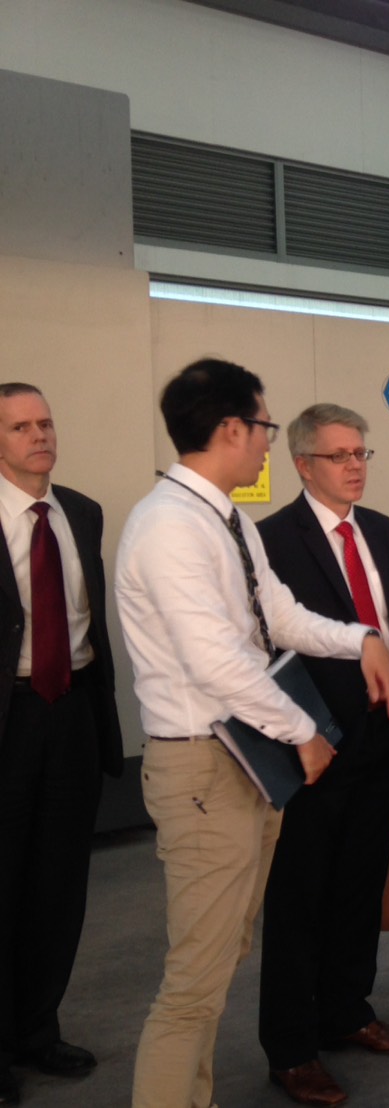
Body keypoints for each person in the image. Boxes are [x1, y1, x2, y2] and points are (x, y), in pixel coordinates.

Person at [116, 359, 389, 1108]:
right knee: (194, 984)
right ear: (231, 428)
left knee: (219, 961)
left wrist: (362, 637)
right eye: (266, 426)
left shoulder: (226, 518)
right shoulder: (169, 526)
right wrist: (302, 729)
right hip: (202, 769)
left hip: (243, 763)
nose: (270, 442)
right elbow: (214, 659)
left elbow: (278, 618)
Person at [255, 404, 389, 1105]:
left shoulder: (383, 531)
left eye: (361, 452)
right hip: (314, 745)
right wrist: (297, 734)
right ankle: (291, 1048)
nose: (355, 466)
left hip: (383, 739)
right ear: (303, 465)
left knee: (361, 886)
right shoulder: (272, 540)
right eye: (339, 455)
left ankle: (346, 1012)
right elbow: (270, 647)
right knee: (300, 896)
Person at [0, 383, 123, 1106]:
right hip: (9, 719)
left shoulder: (81, 511)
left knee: (59, 885)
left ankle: (38, 1031)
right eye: (21, 427)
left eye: (45, 423)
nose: (39, 436)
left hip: (73, 712)